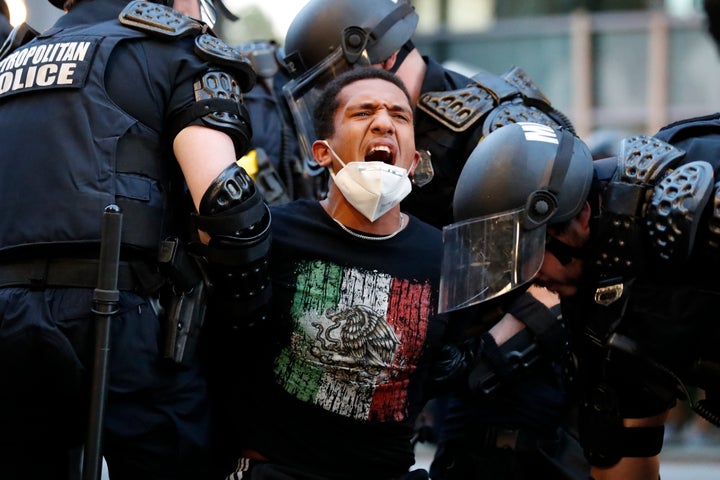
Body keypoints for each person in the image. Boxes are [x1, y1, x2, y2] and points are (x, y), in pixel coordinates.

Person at [280, 1, 587, 478]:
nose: (333, 105)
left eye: (330, 84)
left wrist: (482, 355)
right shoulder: (362, 146)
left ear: (378, 58)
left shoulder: (499, 129)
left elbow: (562, 276)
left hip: (515, 375)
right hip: (422, 367)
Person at [0, 0, 268, 477]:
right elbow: (228, 204)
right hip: (117, 316)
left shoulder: (10, 59)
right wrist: (248, 323)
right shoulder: (177, 50)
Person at [442, 119, 720, 479]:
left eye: (527, 255)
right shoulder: (596, 312)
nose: (528, 280)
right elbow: (623, 460)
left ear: (579, 219)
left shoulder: (695, 191)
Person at [218, 67, 448, 480]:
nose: (383, 123)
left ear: (414, 160)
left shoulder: (445, 256)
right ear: (323, 152)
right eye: (363, 113)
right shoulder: (274, 233)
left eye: (399, 116)